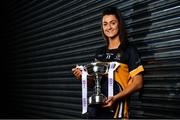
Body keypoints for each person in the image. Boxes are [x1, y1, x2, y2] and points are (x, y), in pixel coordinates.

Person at [72, 7, 144, 119]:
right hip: (95, 111)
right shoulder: (99, 53)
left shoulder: (129, 50)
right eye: (105, 24)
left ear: (119, 24)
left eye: (113, 23)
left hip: (116, 111)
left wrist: (116, 97)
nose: (109, 27)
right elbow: (94, 84)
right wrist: (83, 76)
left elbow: (138, 83)